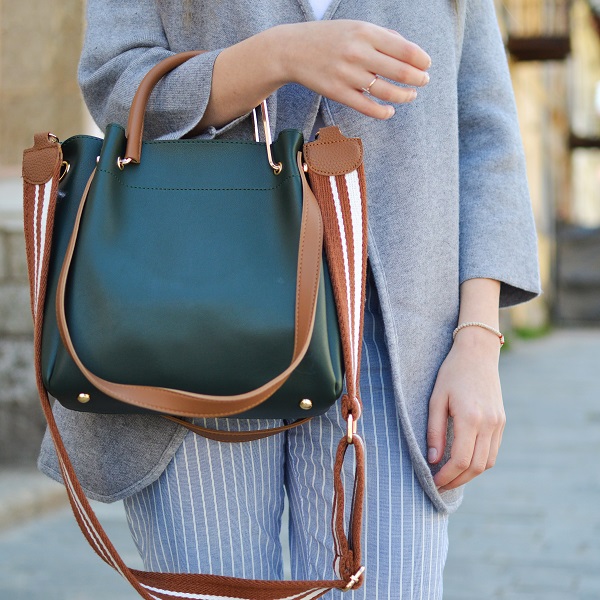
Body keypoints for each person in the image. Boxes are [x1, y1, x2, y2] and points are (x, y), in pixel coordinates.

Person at [38, 0, 541, 597]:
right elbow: (115, 82)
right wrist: (277, 56)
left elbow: (484, 133)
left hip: (394, 333)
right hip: (191, 315)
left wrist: (479, 337)